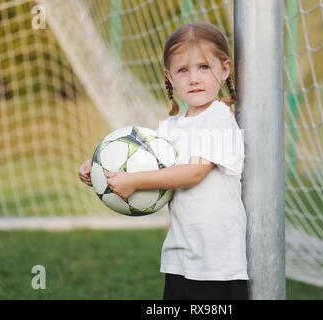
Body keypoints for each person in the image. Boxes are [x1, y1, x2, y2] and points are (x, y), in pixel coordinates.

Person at [78, 21, 248, 300]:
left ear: (224, 68)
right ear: (169, 76)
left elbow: (193, 173)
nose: (194, 78)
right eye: (183, 70)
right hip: (180, 256)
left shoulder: (219, 120)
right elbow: (147, 169)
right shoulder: (169, 128)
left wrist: (134, 180)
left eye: (204, 67)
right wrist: (99, 173)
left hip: (218, 261)